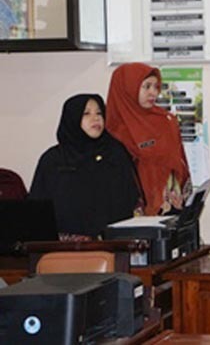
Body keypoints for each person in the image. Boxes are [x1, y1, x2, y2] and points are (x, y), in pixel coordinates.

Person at [29, 94, 141, 239]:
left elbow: (133, 202)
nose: (95, 118)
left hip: (115, 246)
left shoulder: (115, 153)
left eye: (99, 113)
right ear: (72, 118)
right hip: (62, 251)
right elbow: (37, 211)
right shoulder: (53, 160)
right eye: (86, 113)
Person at [106, 63, 191, 215]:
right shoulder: (113, 130)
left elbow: (180, 163)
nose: (153, 93)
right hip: (131, 212)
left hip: (169, 208)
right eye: (146, 86)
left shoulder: (166, 121)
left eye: (156, 86)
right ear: (127, 88)